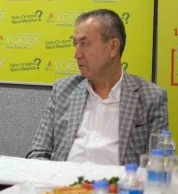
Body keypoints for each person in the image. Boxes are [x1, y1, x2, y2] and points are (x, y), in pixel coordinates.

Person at [27, 9, 168, 165]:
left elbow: (158, 164)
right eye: (75, 44)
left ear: (113, 47)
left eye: (84, 44)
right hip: (63, 180)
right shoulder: (63, 90)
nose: (77, 54)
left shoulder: (150, 97)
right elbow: (38, 153)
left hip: (119, 181)